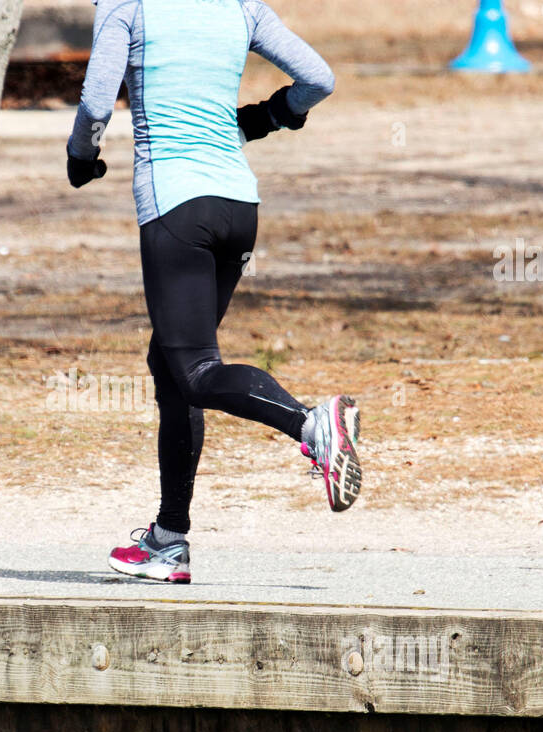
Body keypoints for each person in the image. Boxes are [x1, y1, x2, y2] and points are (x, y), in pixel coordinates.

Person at [67, 0, 360, 584]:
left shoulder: (127, 8)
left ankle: (311, 425)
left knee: (197, 370)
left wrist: (82, 154)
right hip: (238, 207)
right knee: (172, 365)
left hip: (177, 205)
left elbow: (98, 101)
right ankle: (168, 541)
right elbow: (318, 79)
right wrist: (269, 116)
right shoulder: (240, 6)